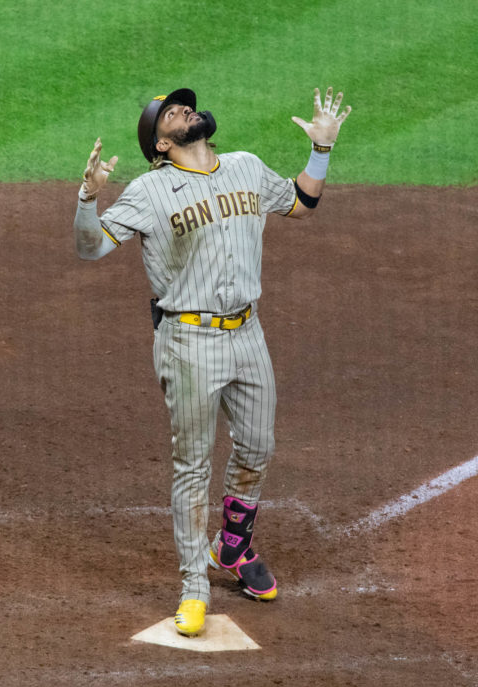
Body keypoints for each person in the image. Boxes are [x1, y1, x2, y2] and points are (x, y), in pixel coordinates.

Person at [73, 86, 350, 636]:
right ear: (160, 144)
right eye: (171, 112)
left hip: (248, 332)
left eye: (186, 105)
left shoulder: (245, 166)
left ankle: (233, 547)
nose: (184, 110)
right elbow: (91, 247)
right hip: (188, 341)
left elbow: (301, 203)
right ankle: (193, 587)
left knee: (258, 447)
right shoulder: (149, 190)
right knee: (193, 466)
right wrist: (88, 198)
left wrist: (321, 149)